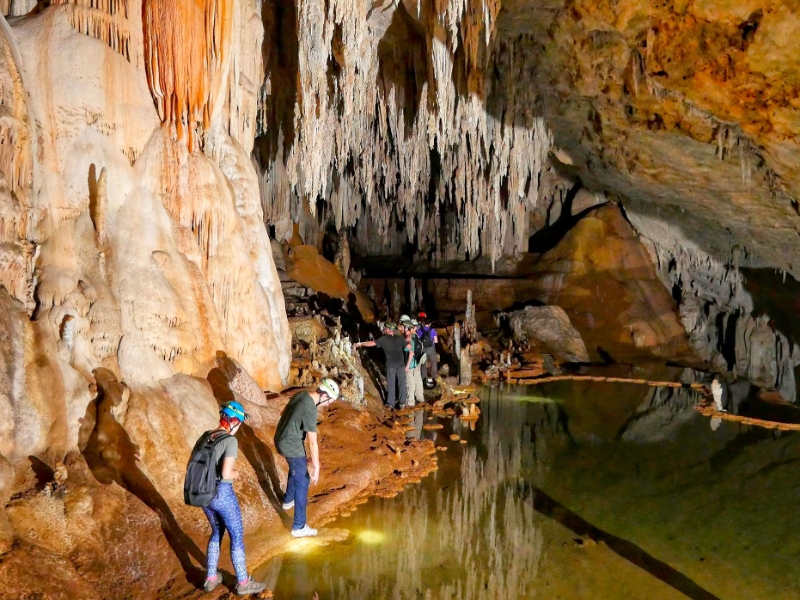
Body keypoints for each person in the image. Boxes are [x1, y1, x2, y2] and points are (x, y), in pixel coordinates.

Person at [192, 401, 266, 595]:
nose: (239, 428)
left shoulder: (205, 435)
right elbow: (226, 474)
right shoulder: (230, 441)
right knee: (236, 535)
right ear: (234, 422)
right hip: (222, 493)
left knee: (216, 531)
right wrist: (236, 474)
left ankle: (211, 578)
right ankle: (243, 582)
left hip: (203, 494)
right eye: (239, 424)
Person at [274, 378, 340, 538]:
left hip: (281, 437)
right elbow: (312, 441)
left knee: (297, 467)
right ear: (324, 395)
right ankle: (299, 526)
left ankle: (288, 500)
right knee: (303, 479)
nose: (329, 404)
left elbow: (283, 412)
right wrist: (316, 467)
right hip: (291, 444)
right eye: (330, 401)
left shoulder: (302, 395)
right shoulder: (311, 408)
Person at [354, 322, 408, 409]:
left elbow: (372, 343)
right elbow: (409, 346)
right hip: (401, 364)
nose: (384, 329)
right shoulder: (400, 338)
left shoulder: (384, 339)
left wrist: (360, 344)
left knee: (391, 383)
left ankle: (390, 403)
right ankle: (402, 402)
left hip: (390, 365)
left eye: (385, 328)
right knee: (402, 382)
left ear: (388, 329)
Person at [401, 317, 425, 407]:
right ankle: (420, 398)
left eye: (404, 327)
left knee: (410, 382)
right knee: (418, 381)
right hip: (417, 363)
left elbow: (410, 353)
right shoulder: (416, 336)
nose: (402, 329)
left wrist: (406, 366)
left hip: (410, 364)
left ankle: (410, 402)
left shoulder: (408, 338)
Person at [417, 313, 438, 387]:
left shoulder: (420, 330)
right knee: (434, 362)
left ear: (424, 323)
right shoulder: (432, 330)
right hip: (430, 349)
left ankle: (424, 379)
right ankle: (434, 378)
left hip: (423, 349)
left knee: (423, 364)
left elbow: (418, 339)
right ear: (430, 324)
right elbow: (436, 341)